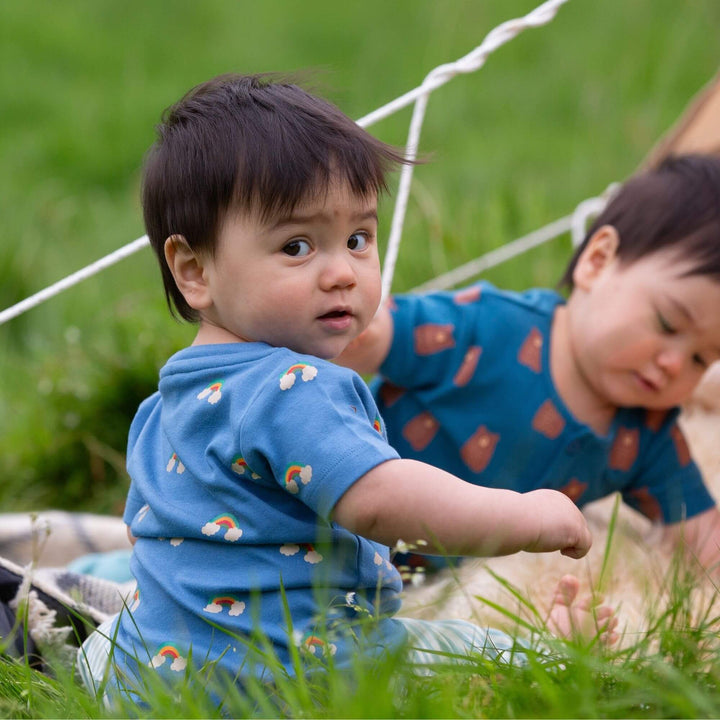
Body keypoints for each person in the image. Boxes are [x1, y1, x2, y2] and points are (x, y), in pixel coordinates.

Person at [76, 73, 615, 705]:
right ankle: (557, 659)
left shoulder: (161, 404)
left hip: (158, 680)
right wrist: (528, 516)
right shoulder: (295, 387)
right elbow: (384, 502)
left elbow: (148, 535)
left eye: (359, 238)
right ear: (195, 270)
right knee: (466, 650)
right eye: (297, 246)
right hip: (294, 675)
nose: (342, 273)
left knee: (104, 643)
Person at [337, 153, 720, 574]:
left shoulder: (646, 434)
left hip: (427, 590)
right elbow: (367, 335)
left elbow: (702, 538)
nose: (673, 363)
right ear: (597, 261)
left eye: (702, 358)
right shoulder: (486, 328)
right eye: (667, 323)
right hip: (335, 519)